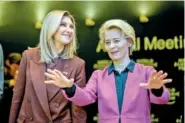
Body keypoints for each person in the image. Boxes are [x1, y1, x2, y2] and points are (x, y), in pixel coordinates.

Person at [44, 19, 172, 123]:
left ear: (129, 42)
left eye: (116, 41)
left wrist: (157, 89)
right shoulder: (99, 75)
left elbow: (163, 99)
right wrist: (70, 87)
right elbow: (85, 98)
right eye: (107, 42)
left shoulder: (146, 71)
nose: (112, 46)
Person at [9, 10, 87, 123]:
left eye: (71, 27)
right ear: (50, 27)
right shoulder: (29, 56)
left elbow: (78, 106)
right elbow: (17, 96)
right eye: (63, 24)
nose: (69, 30)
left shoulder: (78, 64)